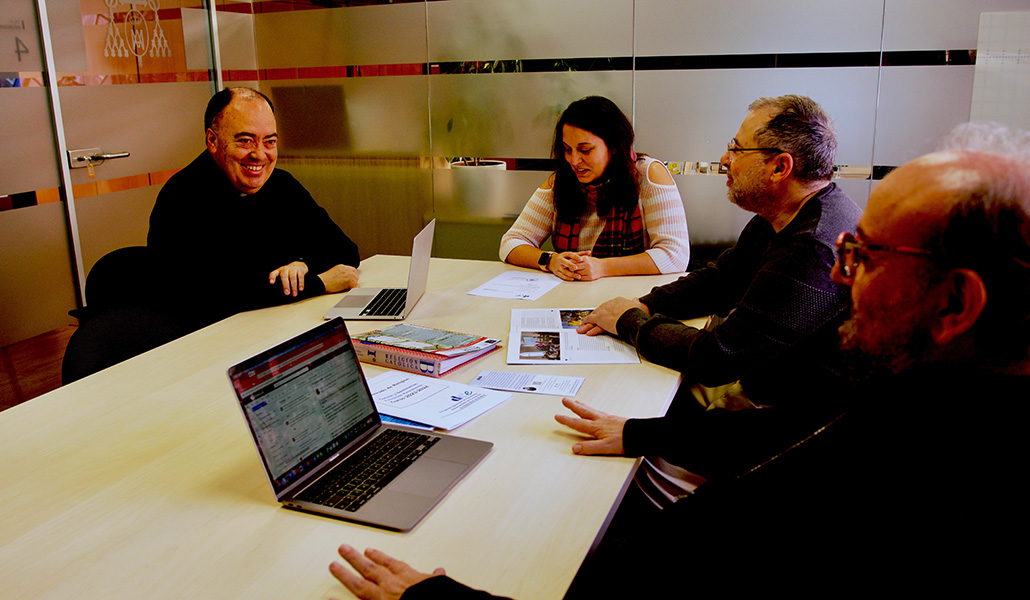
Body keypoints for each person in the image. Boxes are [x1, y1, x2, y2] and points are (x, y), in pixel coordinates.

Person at [328, 121, 1030, 598]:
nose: (841, 276)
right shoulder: (921, 393)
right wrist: (640, 425)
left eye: (866, 257)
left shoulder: (927, 470)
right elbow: (793, 424)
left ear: (955, 303)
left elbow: (728, 375)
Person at [567, 95, 862, 479]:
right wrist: (641, 303)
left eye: (737, 149)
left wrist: (629, 321)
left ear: (780, 167)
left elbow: (717, 358)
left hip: (787, 427)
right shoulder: (784, 214)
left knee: (616, 469)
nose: (725, 160)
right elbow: (720, 279)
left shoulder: (812, 248)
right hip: (762, 390)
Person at [147, 87, 360, 330]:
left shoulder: (281, 184)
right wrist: (319, 283)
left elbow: (345, 251)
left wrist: (302, 264)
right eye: (245, 141)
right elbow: (218, 295)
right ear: (213, 141)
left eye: (269, 142)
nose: (259, 154)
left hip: (281, 324)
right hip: (214, 337)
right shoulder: (181, 198)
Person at [499, 96, 690, 281]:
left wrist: (602, 267)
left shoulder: (648, 174)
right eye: (567, 149)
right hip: (575, 293)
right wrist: (549, 260)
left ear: (613, 146)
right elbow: (511, 242)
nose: (574, 161)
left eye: (585, 150)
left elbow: (675, 255)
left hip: (635, 295)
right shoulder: (561, 181)